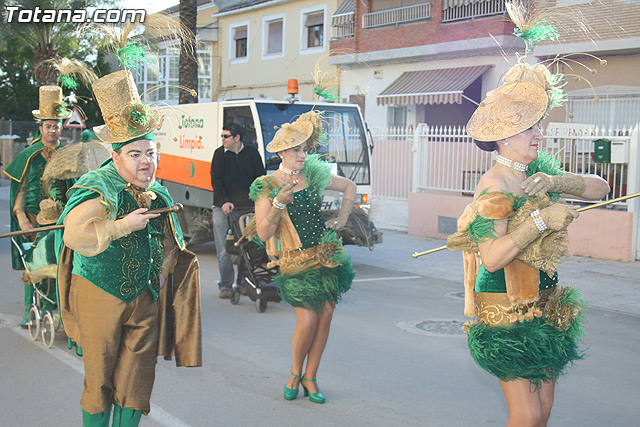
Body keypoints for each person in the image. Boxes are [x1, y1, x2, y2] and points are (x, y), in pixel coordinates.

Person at [447, 61, 610, 426]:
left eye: (537, 125)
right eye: (527, 128)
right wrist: (539, 220)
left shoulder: (536, 174)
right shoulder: (495, 184)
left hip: (545, 300)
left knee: (544, 411)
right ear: (504, 135)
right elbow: (490, 258)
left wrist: (556, 183)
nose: (538, 134)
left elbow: (602, 188)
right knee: (527, 414)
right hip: (506, 306)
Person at [54, 69, 201, 426]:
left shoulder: (160, 191)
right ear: (116, 157)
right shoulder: (98, 185)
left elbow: (170, 245)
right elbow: (74, 235)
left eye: (150, 152)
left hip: (145, 297)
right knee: (100, 381)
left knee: (137, 382)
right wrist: (122, 225)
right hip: (99, 293)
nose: (145, 161)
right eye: (134, 154)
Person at [250, 111, 356, 403]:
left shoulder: (313, 174)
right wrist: (277, 204)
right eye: (297, 149)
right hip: (294, 262)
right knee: (308, 320)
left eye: (305, 149)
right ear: (282, 152)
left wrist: (342, 218)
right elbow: (263, 232)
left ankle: (311, 377)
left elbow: (349, 187)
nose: (303, 154)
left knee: (326, 317)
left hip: (325, 256)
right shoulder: (266, 185)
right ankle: (295, 372)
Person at [4, 85, 70, 327]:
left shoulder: (67, 155)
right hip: (31, 222)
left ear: (61, 128)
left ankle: (55, 306)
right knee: (33, 263)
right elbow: (19, 192)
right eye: (48, 126)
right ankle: (29, 308)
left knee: (59, 265)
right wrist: (22, 219)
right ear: (41, 128)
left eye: (57, 126)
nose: (53, 131)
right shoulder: (28, 157)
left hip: (58, 222)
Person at [210, 122, 265, 298]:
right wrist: (225, 202)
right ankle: (225, 285)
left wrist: (260, 202)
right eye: (222, 136)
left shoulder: (252, 153)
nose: (223, 139)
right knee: (224, 249)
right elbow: (216, 181)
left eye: (226, 136)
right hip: (222, 208)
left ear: (237, 138)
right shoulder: (219, 154)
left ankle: (243, 283)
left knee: (246, 247)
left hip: (247, 208)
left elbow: (260, 179)